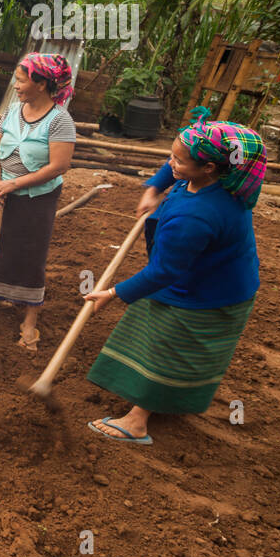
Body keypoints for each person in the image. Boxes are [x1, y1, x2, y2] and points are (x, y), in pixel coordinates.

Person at [83, 109, 263, 445]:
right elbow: (176, 163)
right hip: (207, 276)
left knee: (169, 344)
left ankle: (137, 421)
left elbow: (164, 271)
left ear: (208, 166)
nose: (171, 163)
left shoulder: (197, 216)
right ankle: (167, 398)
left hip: (210, 292)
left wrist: (114, 293)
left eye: (178, 161)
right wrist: (155, 187)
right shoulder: (226, 175)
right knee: (155, 329)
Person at [0, 53, 76, 349]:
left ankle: (30, 320)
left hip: (35, 197)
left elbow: (58, 166)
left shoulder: (60, 120)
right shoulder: (13, 110)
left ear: (40, 84)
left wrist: (13, 184)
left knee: (29, 255)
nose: (16, 85)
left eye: (21, 80)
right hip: (1, 189)